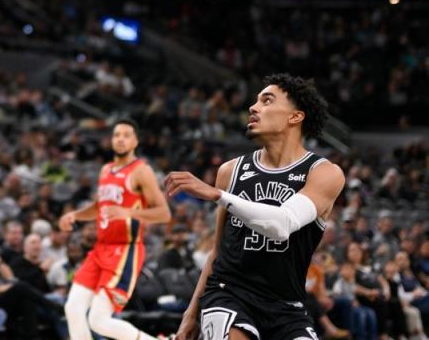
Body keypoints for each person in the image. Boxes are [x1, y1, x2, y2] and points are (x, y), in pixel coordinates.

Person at [167, 74, 347, 340]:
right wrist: (190, 313)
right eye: (255, 100)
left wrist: (217, 195)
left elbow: (281, 225)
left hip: (287, 305)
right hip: (229, 293)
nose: (253, 107)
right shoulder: (231, 171)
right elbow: (217, 250)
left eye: (267, 100)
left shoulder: (323, 173)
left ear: (295, 117)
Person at [60, 119, 172, 340]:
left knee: (98, 321)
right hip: (100, 250)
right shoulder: (106, 170)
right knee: (72, 309)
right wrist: (76, 215)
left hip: (124, 252)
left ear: (135, 141)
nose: (120, 139)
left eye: (126, 135)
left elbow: (163, 214)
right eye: (116, 135)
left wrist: (129, 213)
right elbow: (100, 206)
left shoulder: (141, 171)